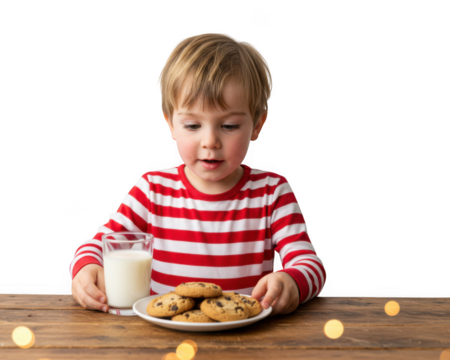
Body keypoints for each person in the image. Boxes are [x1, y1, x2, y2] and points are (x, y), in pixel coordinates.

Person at [69, 33, 327, 317]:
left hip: (248, 341)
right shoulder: (152, 189)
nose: (210, 141)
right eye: (193, 125)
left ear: (257, 125)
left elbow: (310, 264)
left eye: (229, 126)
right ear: (171, 125)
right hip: (162, 340)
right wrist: (85, 269)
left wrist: (291, 281)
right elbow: (99, 244)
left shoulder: (271, 191)